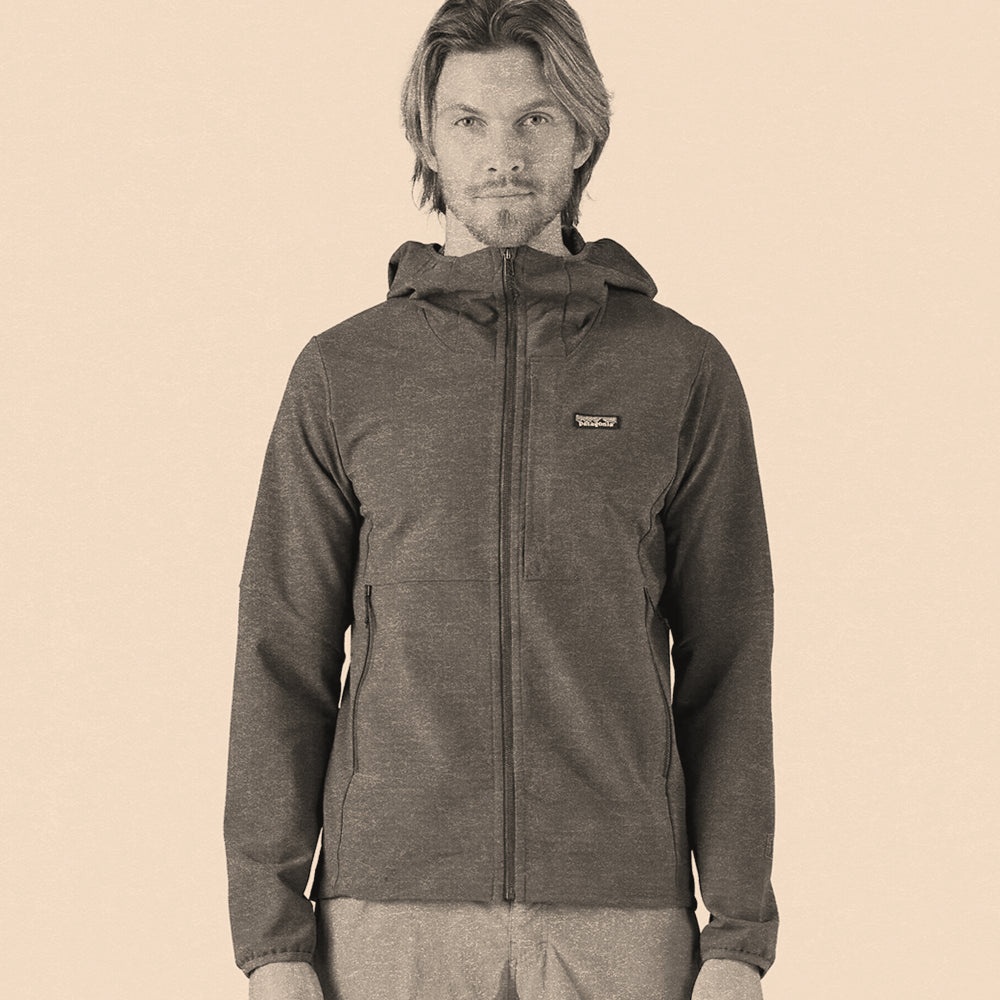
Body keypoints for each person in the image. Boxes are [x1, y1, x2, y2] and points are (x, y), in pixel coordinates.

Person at [224, 1, 778, 998]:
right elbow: (282, 652)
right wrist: (273, 941)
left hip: (621, 916)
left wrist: (737, 934)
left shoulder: (680, 370)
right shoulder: (344, 372)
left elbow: (728, 657)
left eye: (535, 119)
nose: (502, 155)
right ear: (426, 139)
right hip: (385, 914)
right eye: (469, 121)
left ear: (584, 133)